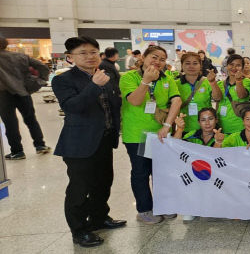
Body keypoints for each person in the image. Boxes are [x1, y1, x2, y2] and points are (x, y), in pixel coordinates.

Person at [52, 37, 126, 248]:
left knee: (103, 183)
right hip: (79, 143)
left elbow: (114, 105)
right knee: (79, 188)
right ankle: (79, 230)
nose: (90, 56)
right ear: (70, 57)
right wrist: (94, 86)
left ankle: (99, 218)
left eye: (94, 52)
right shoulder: (63, 80)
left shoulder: (105, 75)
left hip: (104, 140)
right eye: (83, 53)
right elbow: (72, 107)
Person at [119, 45, 182, 225]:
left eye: (162, 59)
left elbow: (176, 100)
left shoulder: (167, 78)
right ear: (144, 57)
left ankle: (163, 205)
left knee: (161, 172)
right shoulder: (129, 77)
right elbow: (135, 100)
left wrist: (168, 125)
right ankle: (144, 209)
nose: (158, 62)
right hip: (136, 135)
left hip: (159, 134)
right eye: (154, 57)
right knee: (141, 172)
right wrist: (145, 81)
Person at [0, 36, 51, 159]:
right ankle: (40, 145)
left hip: (3, 95)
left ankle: (17, 151)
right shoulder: (19, 56)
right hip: (22, 92)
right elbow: (42, 67)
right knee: (31, 119)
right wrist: (40, 80)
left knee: (10, 123)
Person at [175, 52, 222, 133]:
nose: (191, 66)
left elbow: (218, 98)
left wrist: (213, 82)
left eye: (195, 63)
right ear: (182, 65)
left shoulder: (207, 81)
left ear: (200, 65)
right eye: (187, 63)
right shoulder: (176, 84)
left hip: (206, 130)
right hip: (184, 129)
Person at [217, 54, 250, 134]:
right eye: (231, 64)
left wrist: (238, 81)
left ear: (242, 68)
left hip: (240, 126)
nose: (234, 68)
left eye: (238, 65)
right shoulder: (220, 84)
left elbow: (241, 95)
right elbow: (217, 100)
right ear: (227, 66)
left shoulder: (247, 82)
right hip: (222, 125)